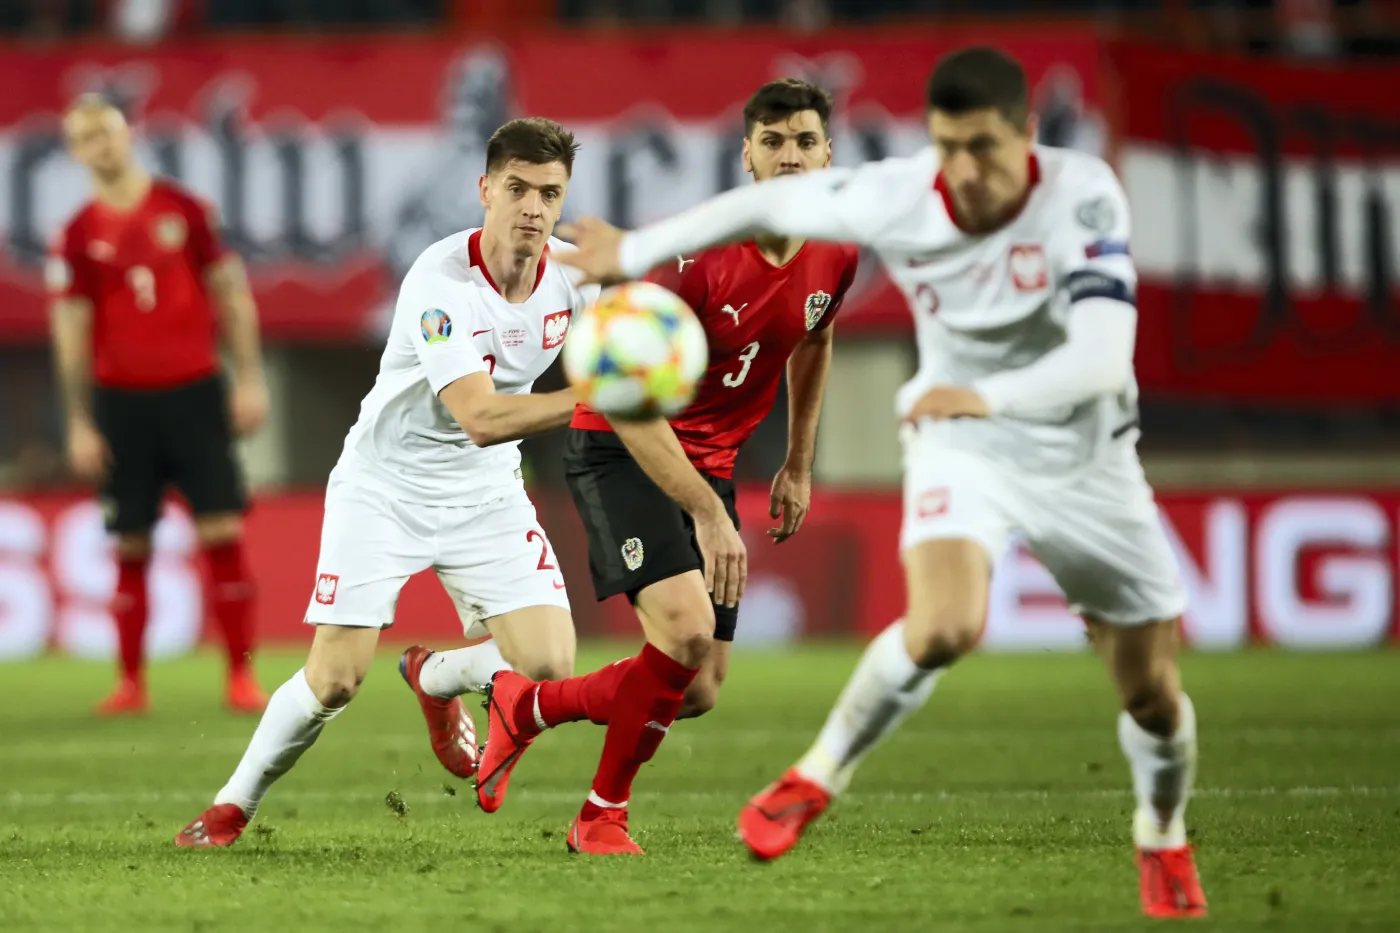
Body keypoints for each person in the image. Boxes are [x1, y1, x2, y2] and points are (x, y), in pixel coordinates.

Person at [556, 47, 1207, 918]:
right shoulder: (900, 192)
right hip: (959, 441)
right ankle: (812, 777)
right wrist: (633, 249)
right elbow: (765, 203)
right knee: (941, 626)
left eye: (983, 147)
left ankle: (1162, 833)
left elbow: (1100, 356)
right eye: (947, 147)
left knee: (1154, 696)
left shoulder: (1084, 193)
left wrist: (822, 450)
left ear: (1028, 134)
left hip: (1084, 451)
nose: (964, 170)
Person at [402, 79, 859, 856]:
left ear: (828, 153)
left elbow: (813, 336)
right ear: (746, 154)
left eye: (805, 142)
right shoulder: (692, 259)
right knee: (683, 634)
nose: (790, 157)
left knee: (700, 687)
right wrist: (712, 514)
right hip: (621, 444)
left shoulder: (839, 250)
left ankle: (530, 705)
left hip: (706, 462)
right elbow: (627, 401)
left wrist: (798, 461)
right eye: (773, 142)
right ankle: (599, 816)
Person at [174, 117, 593, 848]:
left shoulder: (576, 276)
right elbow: (481, 415)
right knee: (335, 679)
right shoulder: (439, 281)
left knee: (551, 662)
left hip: (485, 490)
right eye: (518, 188)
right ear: (485, 189)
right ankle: (230, 806)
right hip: (385, 486)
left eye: (549, 193)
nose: (532, 207)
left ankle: (432, 679)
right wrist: (598, 399)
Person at [48, 96, 269, 717]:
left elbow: (230, 293)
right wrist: (80, 419)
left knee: (221, 529)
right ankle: (130, 684)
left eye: (106, 132)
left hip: (194, 391)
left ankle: (240, 677)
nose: (99, 145)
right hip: (122, 403)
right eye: (84, 137)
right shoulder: (78, 234)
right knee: (131, 542)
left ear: (126, 135)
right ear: (76, 151)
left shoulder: (183, 211)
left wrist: (249, 378)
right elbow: (70, 327)